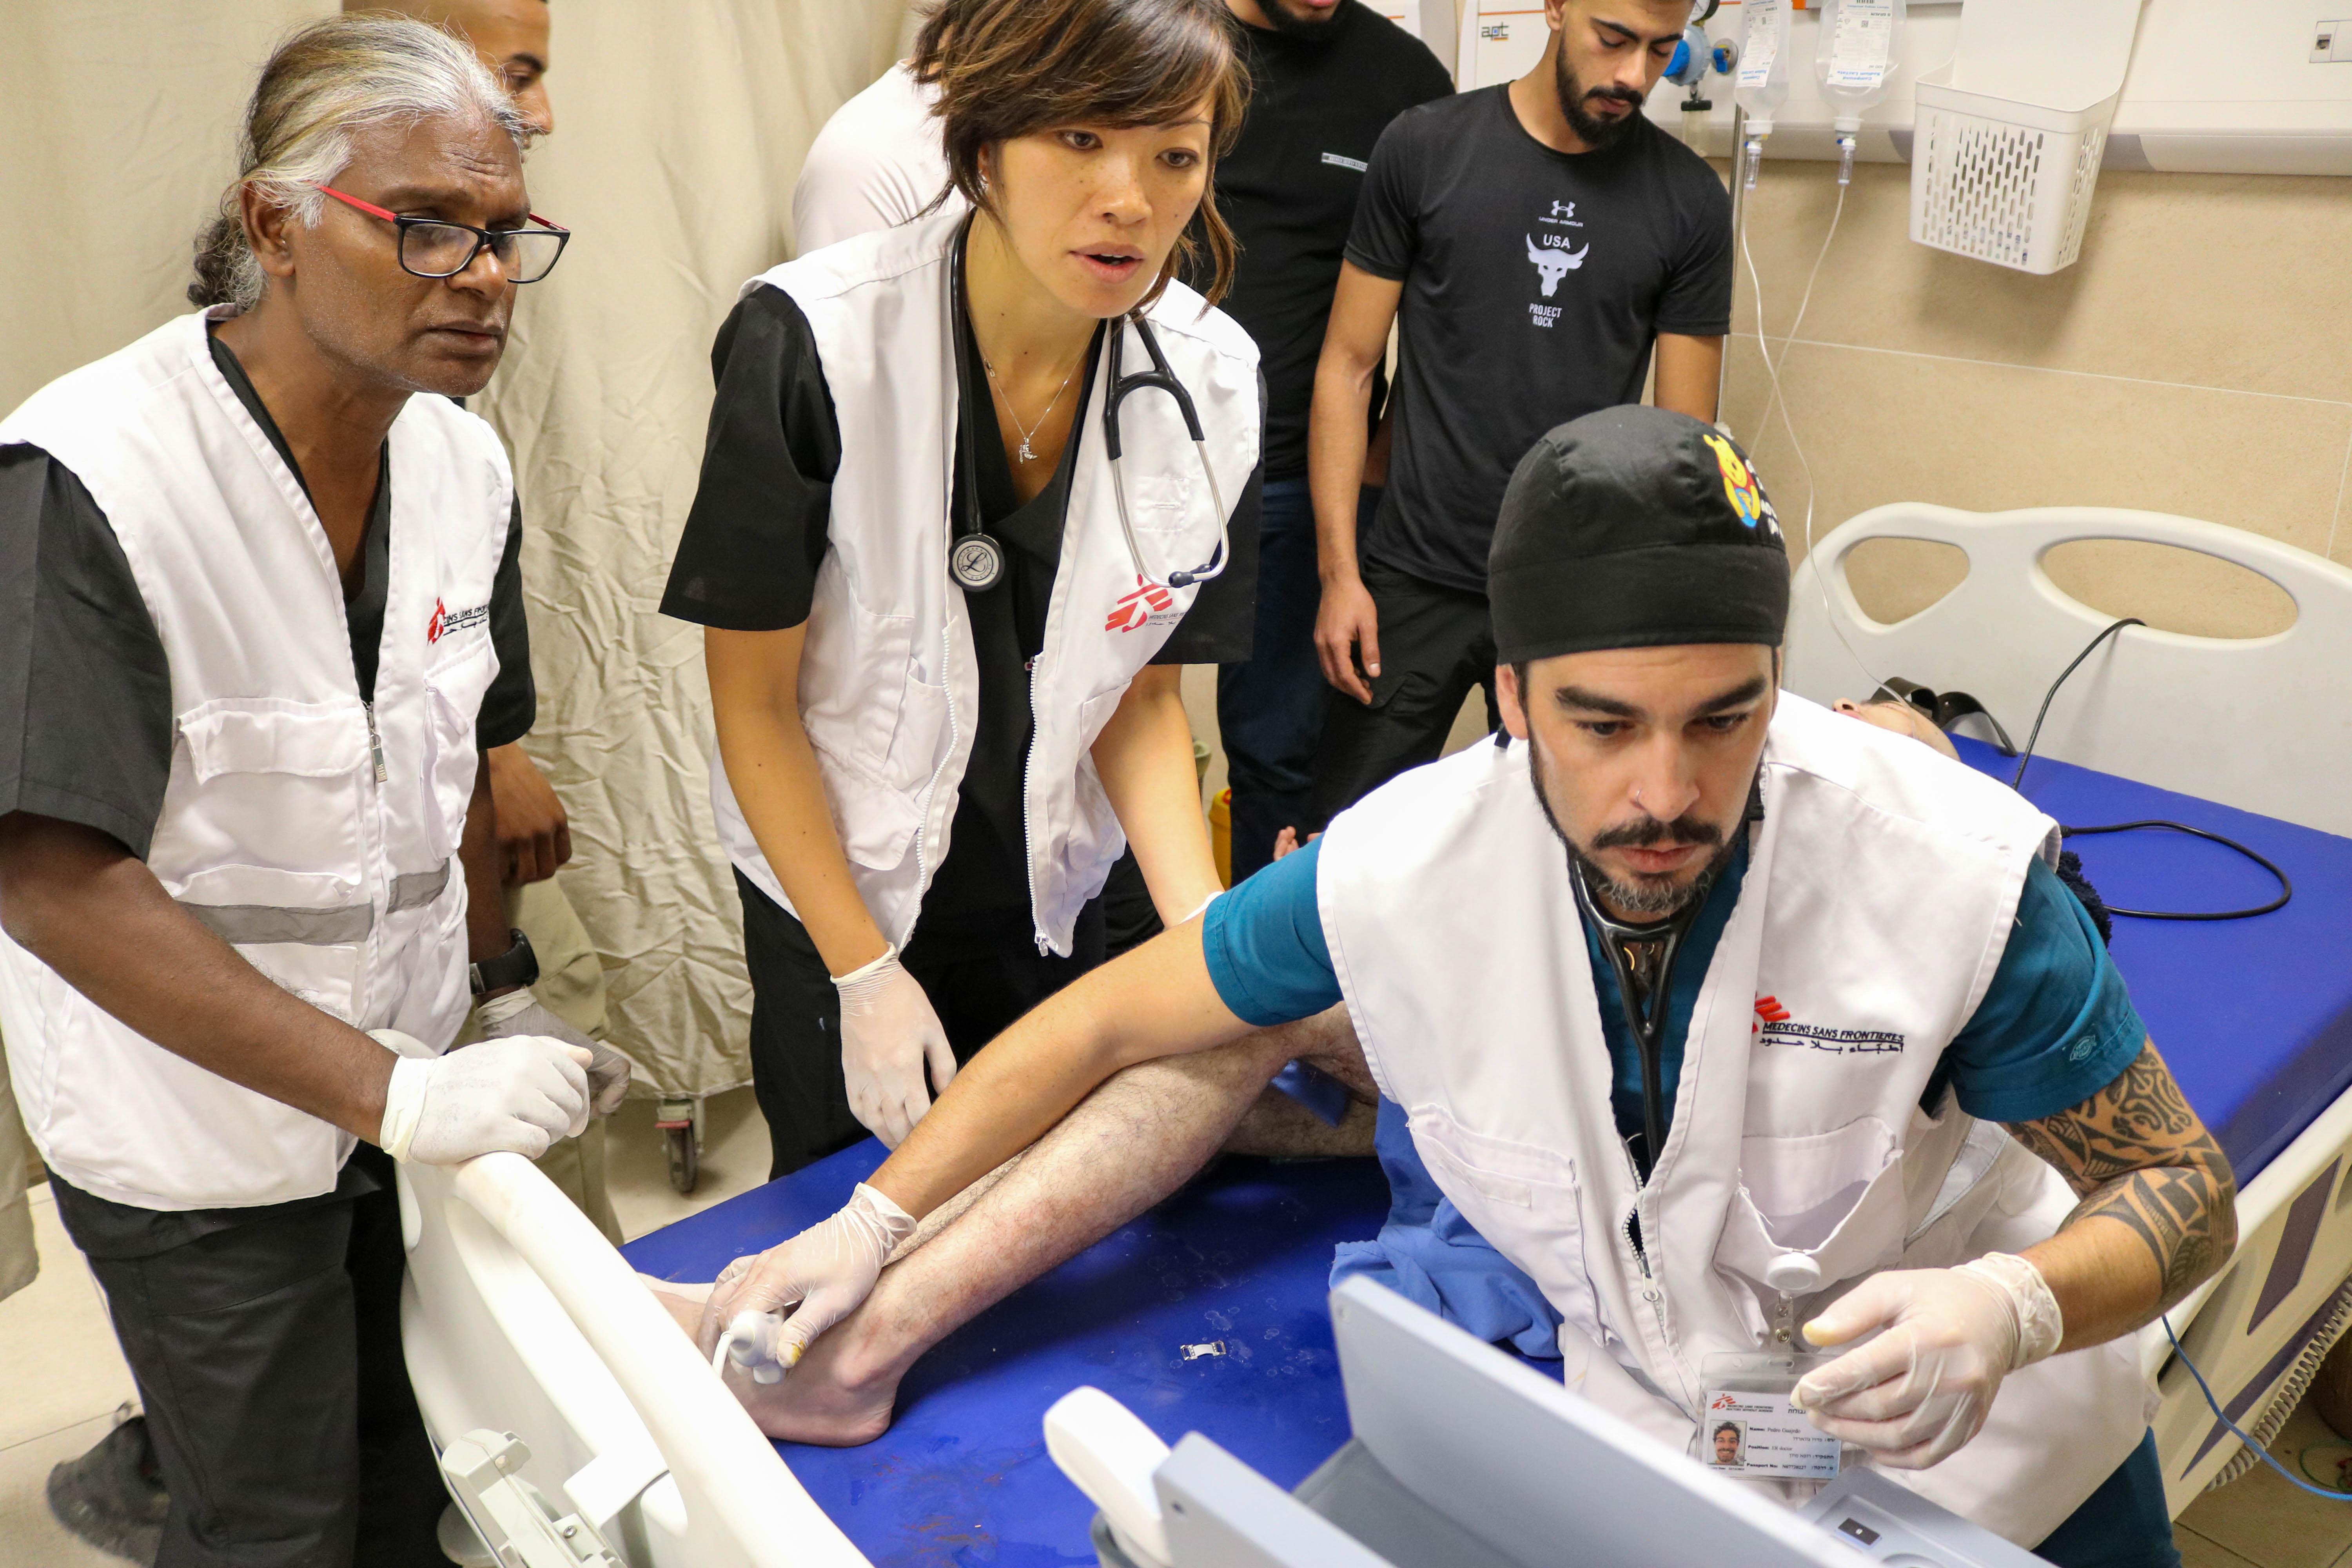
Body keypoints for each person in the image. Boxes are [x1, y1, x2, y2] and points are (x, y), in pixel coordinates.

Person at [688, 411, 2230, 1566]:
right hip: (1669, 1435)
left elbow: (2179, 1184)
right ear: (1507, 701)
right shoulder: (1410, 866)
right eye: (1602, 722)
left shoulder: (1954, 879)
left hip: (1992, 1454)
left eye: (1725, 718)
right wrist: (868, 1221)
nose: (1665, 790)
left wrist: (2014, 1303)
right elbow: (1104, 1017)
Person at [0, 17, 624, 1565]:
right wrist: (397, 1090)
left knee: (427, 1477)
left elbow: (461, 756)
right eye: (424, 227)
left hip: (397, 1092)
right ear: (275, 224)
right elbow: (47, 875)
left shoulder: (461, 471)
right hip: (195, 1133)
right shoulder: (89, 477)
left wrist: (496, 999)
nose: (479, 275)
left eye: (504, 233)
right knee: (275, 1525)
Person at [660, 0, 1263, 1178]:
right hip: (842, 889)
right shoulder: (811, 344)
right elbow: (756, 706)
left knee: (1037, 1219)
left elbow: (1141, 701)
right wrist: (862, 974)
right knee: (838, 1229)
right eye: (1081, 141)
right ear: (984, 146)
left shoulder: (1213, 383)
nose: (1130, 199)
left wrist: (1205, 937)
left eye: (1173, 155)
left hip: (1048, 883)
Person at [1305, 0, 1731, 829]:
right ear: (1557, 8)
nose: (1633, 77)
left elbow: (1686, 448)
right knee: (1346, 847)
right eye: (1613, 41)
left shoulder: (1688, 201)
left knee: (1573, 856)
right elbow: (1350, 367)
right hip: (1411, 579)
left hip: (1573, 593)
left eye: (1660, 51)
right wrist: (1339, 574)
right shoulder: (1426, 148)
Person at [356, 0, 626, 1252]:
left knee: (544, 1153)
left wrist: (499, 736)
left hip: (460, 807)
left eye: (505, 240)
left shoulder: (454, 427)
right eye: (521, 73)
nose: (546, 109)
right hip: (347, 943)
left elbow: (456, 547)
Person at [1207, 0, 1453, 884]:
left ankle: (1274, 1000)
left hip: (1303, 483)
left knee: (1290, 761)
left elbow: (1434, 312)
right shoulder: (1163, 45)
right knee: (1093, 738)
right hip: (1142, 464)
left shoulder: (1404, 83)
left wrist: (1371, 483)